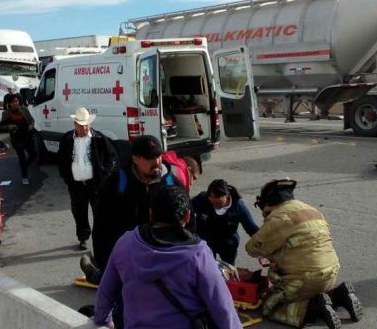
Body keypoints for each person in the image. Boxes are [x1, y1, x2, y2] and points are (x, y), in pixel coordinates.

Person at [93, 185, 241, 329]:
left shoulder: (126, 243)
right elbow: (221, 307)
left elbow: (106, 292)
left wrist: (103, 319)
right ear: (187, 216)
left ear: (151, 214)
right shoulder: (198, 254)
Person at [246, 178, 361, 329]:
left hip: (303, 281)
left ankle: (314, 308)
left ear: (268, 201)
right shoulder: (312, 210)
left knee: (270, 306)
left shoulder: (279, 217)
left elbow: (252, 248)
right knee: (314, 289)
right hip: (331, 274)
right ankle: (340, 295)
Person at [83, 135, 184, 283]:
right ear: (136, 159)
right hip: (128, 258)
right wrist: (105, 263)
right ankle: (94, 273)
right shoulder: (115, 185)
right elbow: (102, 229)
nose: (156, 162)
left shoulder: (172, 183)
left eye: (158, 156)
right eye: (149, 158)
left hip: (163, 258)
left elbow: (188, 222)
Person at [56, 107, 117, 249]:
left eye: (86, 125)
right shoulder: (66, 139)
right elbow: (61, 160)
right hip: (76, 185)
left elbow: (111, 157)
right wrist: (67, 178)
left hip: (95, 184)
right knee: (79, 213)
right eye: (80, 125)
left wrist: (104, 175)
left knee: (100, 212)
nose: (83, 128)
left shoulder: (100, 138)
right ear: (75, 125)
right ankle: (83, 237)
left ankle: (101, 238)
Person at [191, 179, 259, 265]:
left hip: (227, 244)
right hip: (205, 242)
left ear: (226, 195)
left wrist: (265, 246)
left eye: (216, 197)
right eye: (210, 196)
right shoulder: (202, 199)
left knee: (228, 268)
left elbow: (251, 228)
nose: (212, 200)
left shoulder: (238, 207)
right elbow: (187, 212)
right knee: (206, 266)